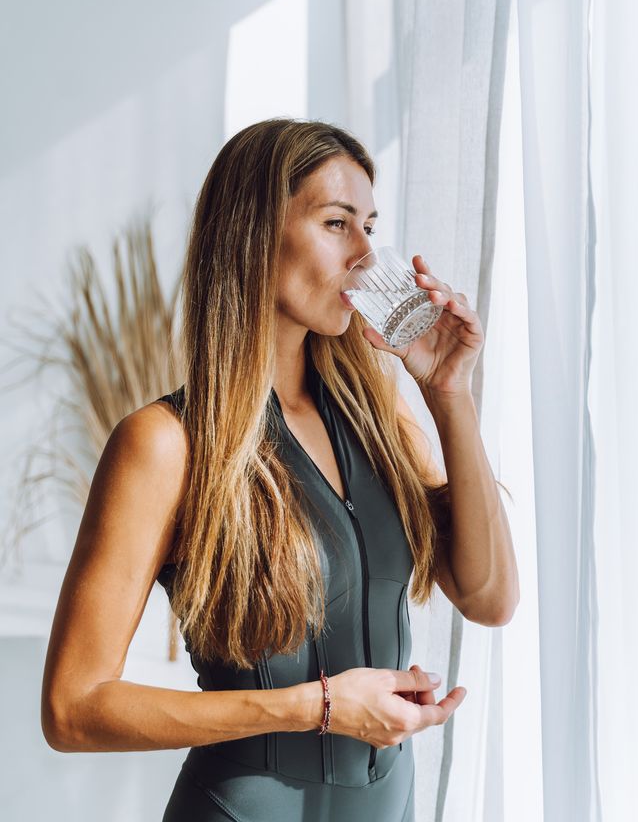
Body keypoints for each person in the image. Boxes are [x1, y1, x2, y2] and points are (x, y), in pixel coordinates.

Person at [41, 118, 518, 821]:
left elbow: (489, 598)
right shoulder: (164, 443)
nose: (365, 253)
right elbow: (72, 709)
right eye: (337, 224)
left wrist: (450, 396)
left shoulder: (380, 422)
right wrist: (315, 708)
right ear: (255, 234)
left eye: (370, 226)